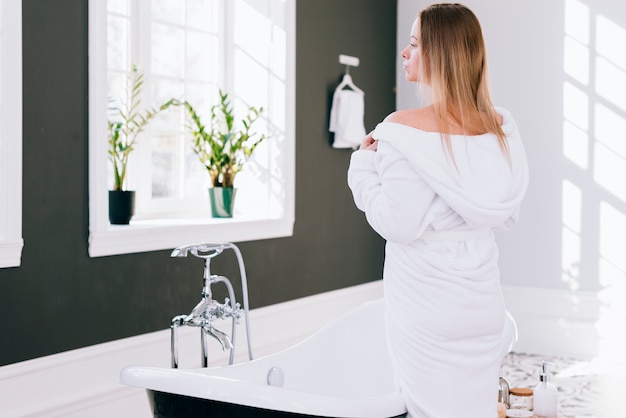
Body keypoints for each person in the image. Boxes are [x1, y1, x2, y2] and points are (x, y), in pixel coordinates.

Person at [347, 3, 529, 417]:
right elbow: (506, 211)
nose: (404, 53)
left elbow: (398, 223)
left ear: (440, 56)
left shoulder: (401, 129)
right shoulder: (499, 128)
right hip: (482, 301)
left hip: (428, 305)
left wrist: (361, 167)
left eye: (414, 44)